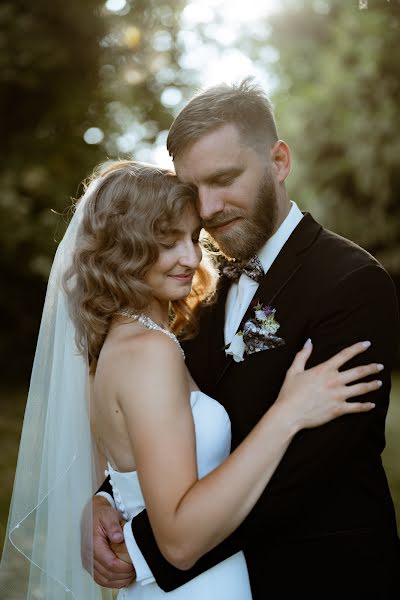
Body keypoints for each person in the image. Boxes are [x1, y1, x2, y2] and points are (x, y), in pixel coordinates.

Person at [0, 159, 383, 600]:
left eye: (192, 238)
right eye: (167, 243)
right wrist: (288, 412)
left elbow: (135, 472)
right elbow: (179, 539)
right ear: (123, 250)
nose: (192, 257)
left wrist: (105, 500)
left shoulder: (116, 344)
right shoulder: (150, 351)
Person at [91, 79, 400, 599]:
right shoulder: (199, 287)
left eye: (224, 179)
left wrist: (145, 545)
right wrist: (110, 498)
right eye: (193, 191)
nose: (207, 208)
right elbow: (167, 417)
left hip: (323, 576)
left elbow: (308, 469)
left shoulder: (352, 283)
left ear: (278, 161)